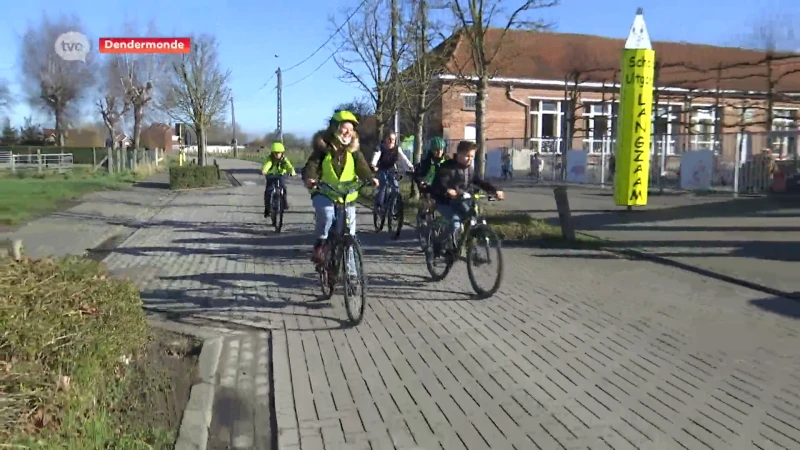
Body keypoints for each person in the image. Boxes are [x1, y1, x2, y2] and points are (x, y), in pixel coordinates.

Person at [303, 110, 379, 264]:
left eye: (351, 130)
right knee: (327, 214)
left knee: (349, 237)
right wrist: (310, 179)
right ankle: (321, 244)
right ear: (335, 128)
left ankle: (351, 275)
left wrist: (370, 178)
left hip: (347, 196)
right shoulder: (322, 150)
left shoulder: (354, 151)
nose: (348, 133)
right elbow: (311, 166)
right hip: (325, 193)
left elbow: (362, 167)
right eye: (344, 128)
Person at [430, 140, 505, 250]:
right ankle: (437, 244)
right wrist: (448, 190)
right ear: (459, 154)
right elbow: (440, 183)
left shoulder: (469, 170)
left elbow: (480, 182)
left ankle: (471, 251)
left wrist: (494, 190)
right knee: (455, 223)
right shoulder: (447, 167)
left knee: (472, 218)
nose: (470, 159)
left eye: (472, 156)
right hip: (444, 201)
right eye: (467, 156)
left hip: (461, 200)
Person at [370, 131, 413, 212]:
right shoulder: (380, 147)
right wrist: (373, 165)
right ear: (385, 139)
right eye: (389, 139)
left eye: (393, 139)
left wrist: (410, 167)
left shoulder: (397, 149)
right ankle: (379, 205)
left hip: (392, 169)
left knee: (395, 187)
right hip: (381, 168)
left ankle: (393, 207)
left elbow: (403, 159)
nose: (391, 141)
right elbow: (376, 156)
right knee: (383, 184)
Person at [413, 137, 448, 218]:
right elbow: (418, 173)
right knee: (427, 202)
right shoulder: (426, 162)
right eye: (436, 150)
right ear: (432, 150)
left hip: (441, 187)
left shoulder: (447, 161)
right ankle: (423, 217)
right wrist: (420, 181)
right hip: (428, 186)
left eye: (441, 149)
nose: (439, 152)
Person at [261, 141, 296, 216]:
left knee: (283, 188)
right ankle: (267, 208)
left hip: (281, 175)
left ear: (282, 153)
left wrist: (292, 172)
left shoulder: (284, 159)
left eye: (279, 153)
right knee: (268, 191)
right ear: (273, 153)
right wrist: (264, 170)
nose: (277, 155)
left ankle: (284, 203)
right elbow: (267, 165)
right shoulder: (270, 159)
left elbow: (289, 166)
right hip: (270, 175)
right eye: (275, 153)